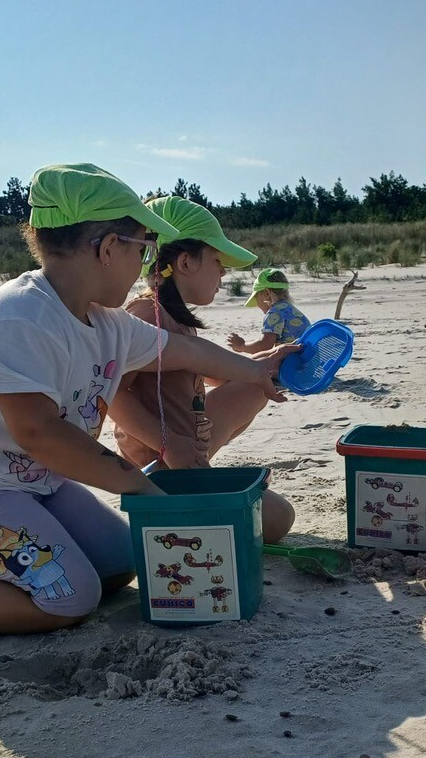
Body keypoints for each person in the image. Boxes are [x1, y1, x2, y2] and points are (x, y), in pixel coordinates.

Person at [0, 164, 293, 634]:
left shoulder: (108, 322)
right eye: (142, 248)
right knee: (68, 595)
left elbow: (185, 351)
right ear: (109, 248)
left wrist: (256, 370)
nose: (143, 264)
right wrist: (136, 485)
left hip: (34, 486)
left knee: (121, 563)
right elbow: (37, 432)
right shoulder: (22, 314)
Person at [109, 195, 296, 542]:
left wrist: (268, 361)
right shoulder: (147, 314)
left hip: (184, 442)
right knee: (278, 518)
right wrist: (168, 444)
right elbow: (112, 395)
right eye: (217, 260)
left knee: (256, 386)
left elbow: (214, 375)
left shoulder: (178, 319)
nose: (223, 273)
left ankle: (198, 470)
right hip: (155, 460)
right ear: (185, 261)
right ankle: (182, 488)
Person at [227, 268, 310, 352]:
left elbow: (265, 345)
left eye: (256, 298)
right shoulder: (291, 310)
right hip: (306, 356)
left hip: (293, 358)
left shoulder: (274, 313)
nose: (257, 305)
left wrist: (242, 346)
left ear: (267, 294)